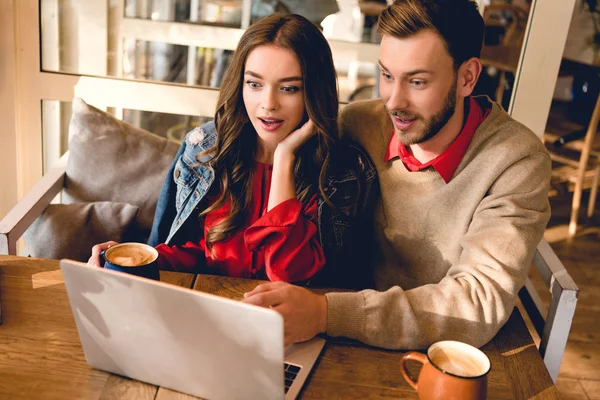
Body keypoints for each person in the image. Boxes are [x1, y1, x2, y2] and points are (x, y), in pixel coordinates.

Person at [243, 0, 552, 349]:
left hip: (445, 351)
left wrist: (326, 313)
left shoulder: (516, 161)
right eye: (387, 76)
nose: (393, 101)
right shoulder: (358, 125)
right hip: (340, 339)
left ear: (467, 77)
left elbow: (476, 303)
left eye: (417, 82)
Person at [89, 13, 376, 288]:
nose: (268, 103)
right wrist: (131, 262)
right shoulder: (205, 149)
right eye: (254, 84)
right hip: (211, 312)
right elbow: (194, 254)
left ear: (314, 92)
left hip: (291, 329)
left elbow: (288, 276)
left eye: (289, 89)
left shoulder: (342, 174)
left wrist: (284, 157)